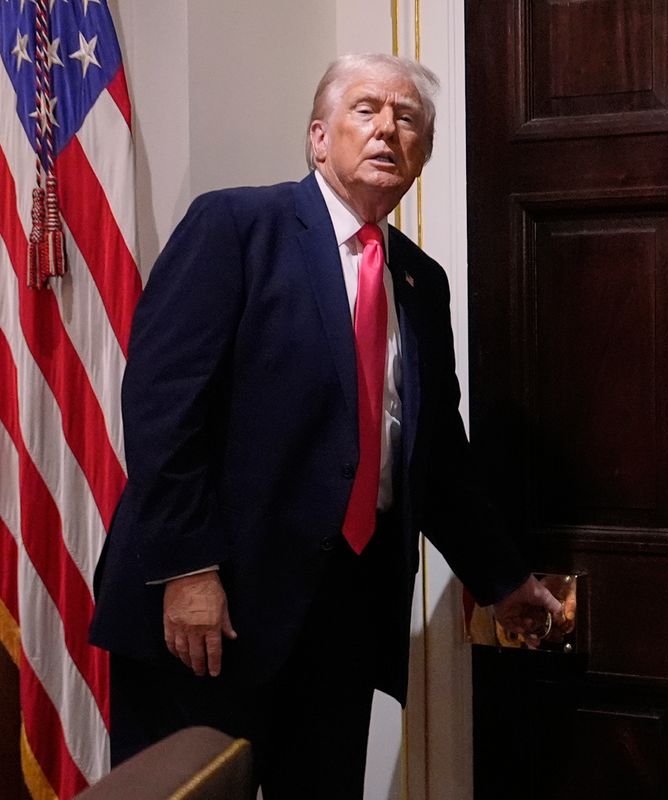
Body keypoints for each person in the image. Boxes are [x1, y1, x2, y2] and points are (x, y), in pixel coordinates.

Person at [89, 53, 561, 797]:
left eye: (408, 119)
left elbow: (436, 459)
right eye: (366, 109)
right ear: (317, 137)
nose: (387, 129)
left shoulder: (421, 281)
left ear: (423, 154)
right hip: (213, 608)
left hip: (344, 617)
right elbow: (163, 409)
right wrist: (187, 571)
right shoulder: (237, 226)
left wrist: (503, 579)